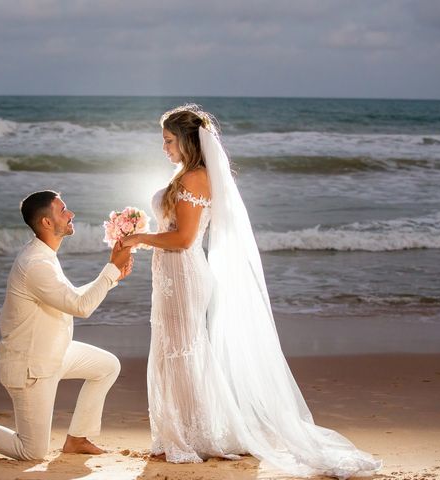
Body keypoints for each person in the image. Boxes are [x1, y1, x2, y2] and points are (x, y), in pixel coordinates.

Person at [120, 105, 382, 478]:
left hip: (183, 275)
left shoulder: (195, 178)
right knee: (174, 349)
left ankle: (192, 436)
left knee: (182, 351)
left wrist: (142, 237)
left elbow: (184, 238)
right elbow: (174, 229)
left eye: (168, 140)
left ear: (188, 141)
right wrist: (142, 235)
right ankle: (184, 432)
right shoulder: (185, 175)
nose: (163, 146)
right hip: (170, 274)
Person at [0, 190, 133, 461]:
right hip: (30, 367)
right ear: (47, 223)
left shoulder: (44, 255)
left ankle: (77, 438)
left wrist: (112, 277)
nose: (71, 214)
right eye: (63, 210)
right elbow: (81, 306)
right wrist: (111, 269)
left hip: (54, 353)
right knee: (32, 452)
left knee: (107, 366)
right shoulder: (35, 264)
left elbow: (73, 299)